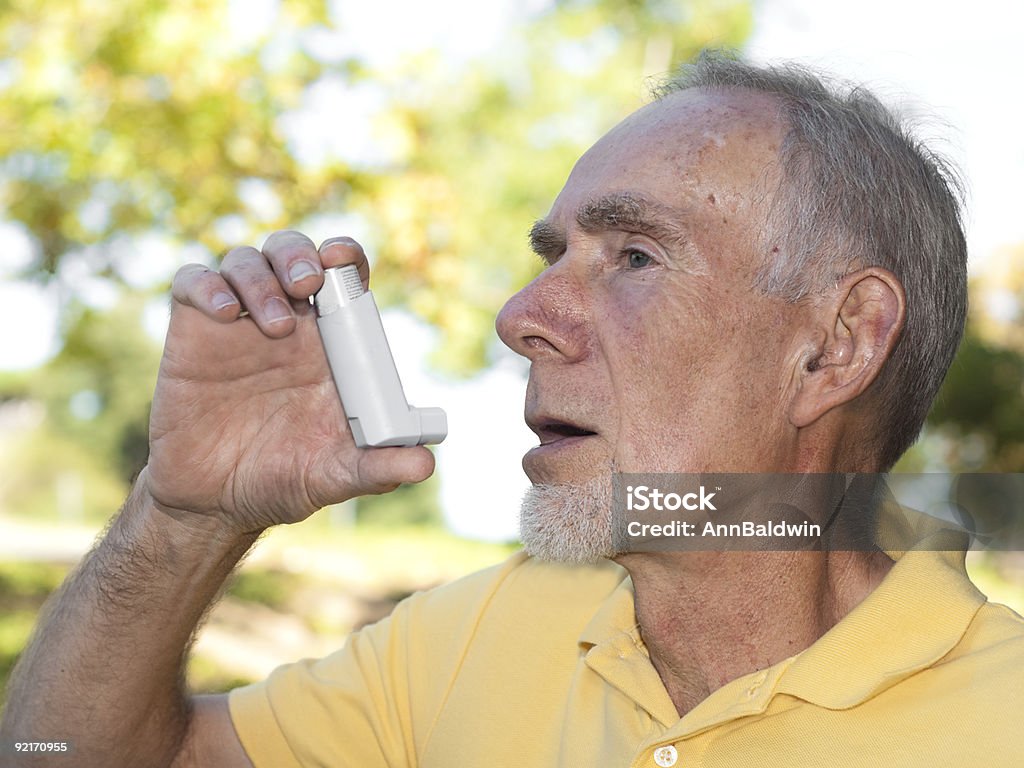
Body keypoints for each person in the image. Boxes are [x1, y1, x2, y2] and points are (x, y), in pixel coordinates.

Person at [3, 50, 1023, 767]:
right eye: (550, 258)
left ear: (836, 345)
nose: (520, 317)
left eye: (632, 256)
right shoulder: (464, 639)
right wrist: (183, 517)